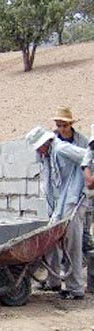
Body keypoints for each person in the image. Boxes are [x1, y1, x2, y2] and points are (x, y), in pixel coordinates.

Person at [26, 126, 86, 299]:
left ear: (46, 142)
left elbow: (88, 158)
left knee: (71, 244)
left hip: (73, 201)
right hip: (58, 206)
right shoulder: (47, 156)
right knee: (50, 239)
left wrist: (84, 185)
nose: (38, 151)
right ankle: (54, 282)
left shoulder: (62, 148)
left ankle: (75, 289)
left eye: (38, 147)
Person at [51, 106, 94, 254]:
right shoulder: (53, 143)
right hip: (58, 194)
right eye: (59, 126)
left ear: (71, 124)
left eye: (65, 125)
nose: (62, 129)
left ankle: (77, 271)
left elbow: (89, 162)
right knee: (58, 235)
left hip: (78, 194)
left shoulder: (83, 142)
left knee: (78, 235)